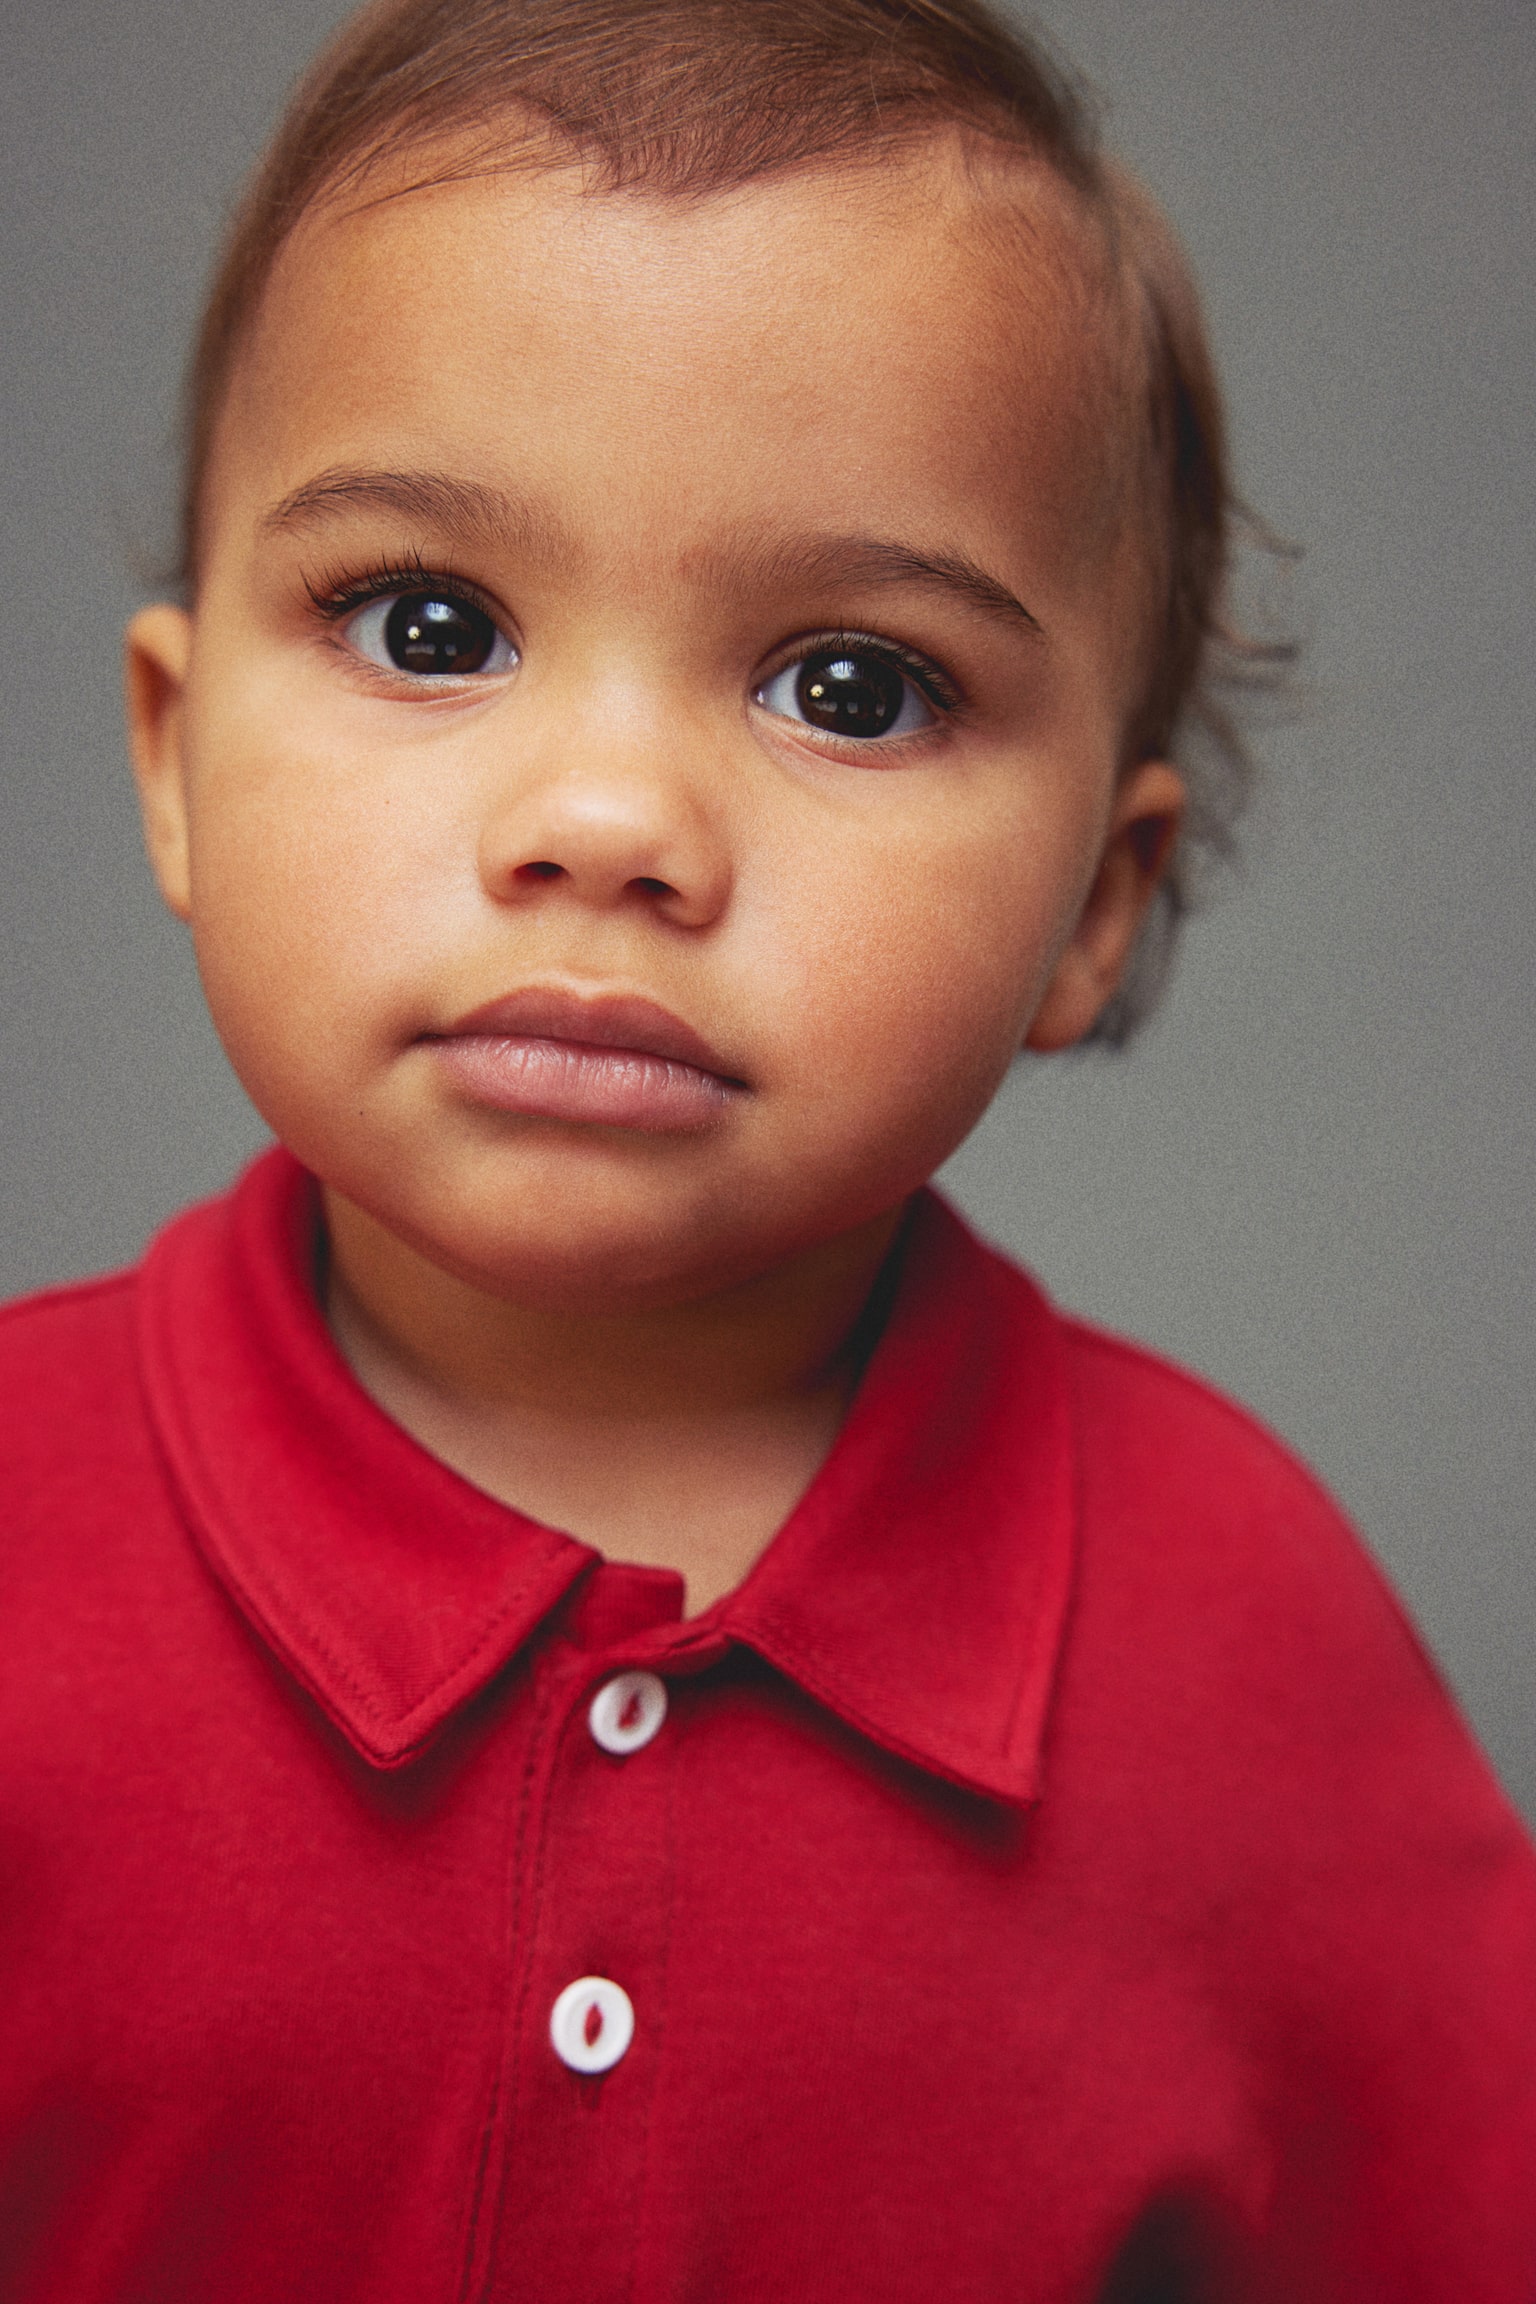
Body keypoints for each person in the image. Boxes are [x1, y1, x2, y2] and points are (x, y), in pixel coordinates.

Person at [1, 0, 1531, 2294]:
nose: (609, 823)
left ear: (1090, 910)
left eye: (852, 684)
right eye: (431, 625)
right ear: (173, 754)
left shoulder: (1246, 1638)